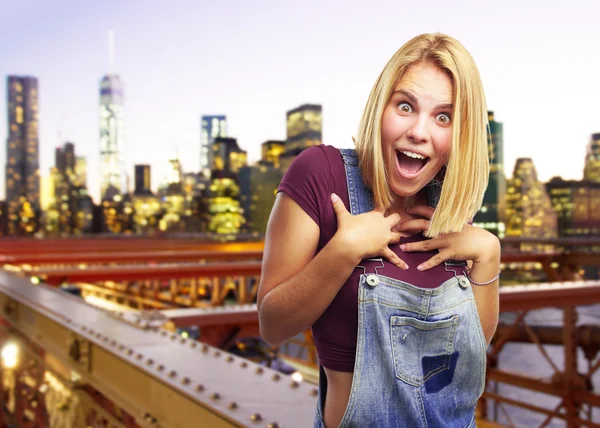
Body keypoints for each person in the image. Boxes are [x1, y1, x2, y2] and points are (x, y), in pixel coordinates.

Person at [258, 33, 500, 428]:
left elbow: (468, 354)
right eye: (406, 106)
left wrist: (488, 254)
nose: (419, 132)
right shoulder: (321, 174)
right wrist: (343, 252)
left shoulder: (447, 205)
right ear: (380, 106)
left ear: (460, 134)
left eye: (443, 117)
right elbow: (272, 326)